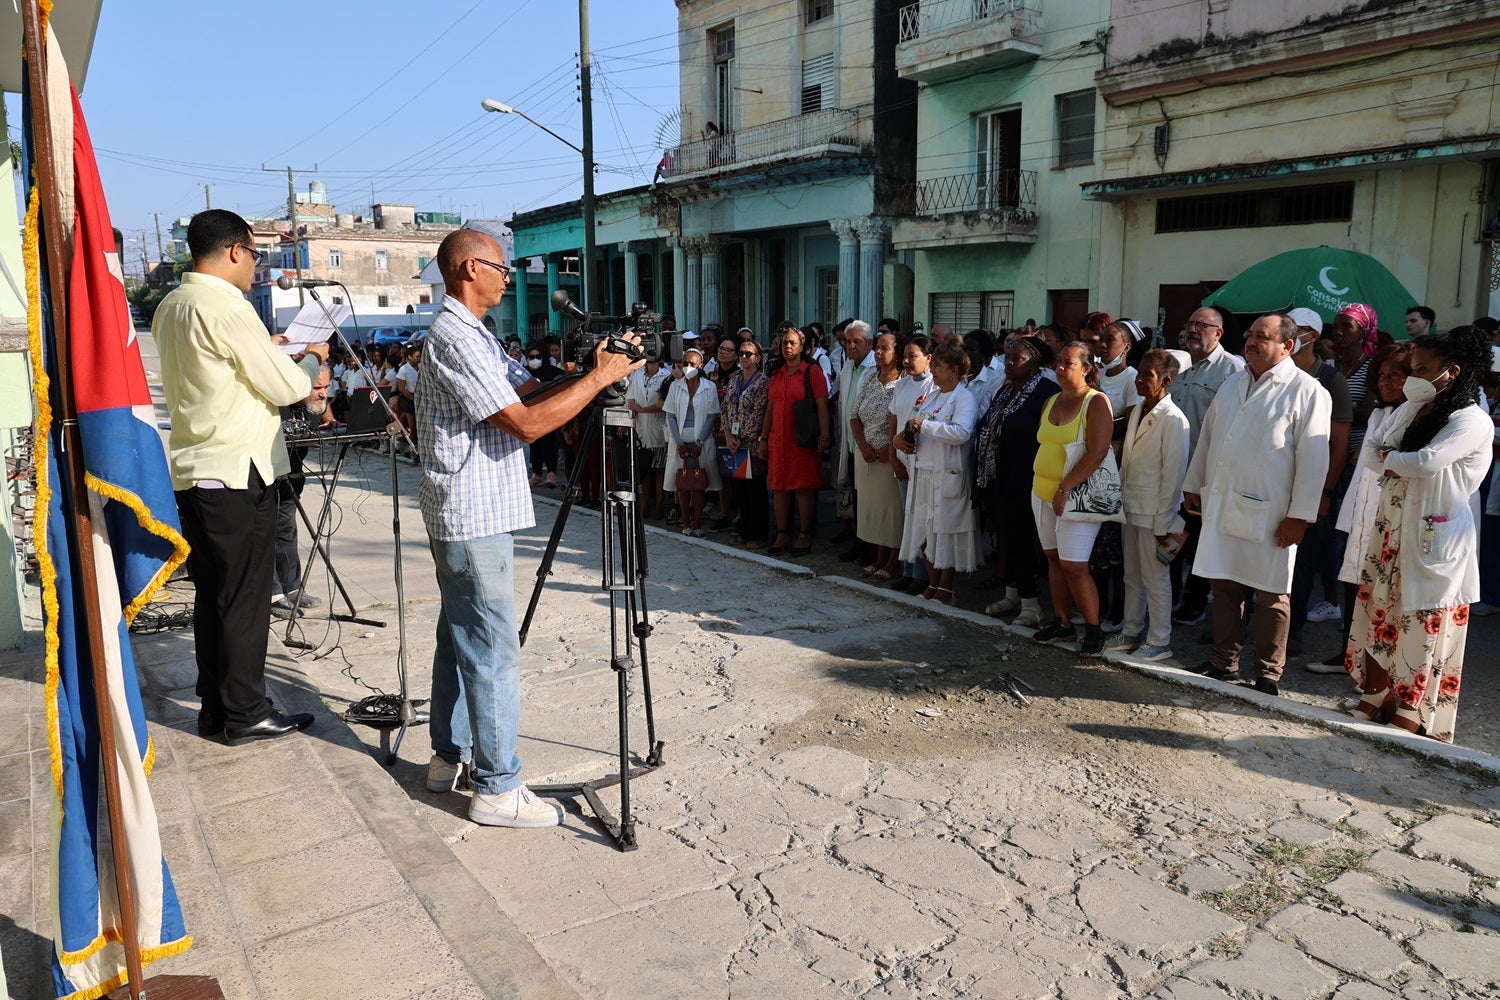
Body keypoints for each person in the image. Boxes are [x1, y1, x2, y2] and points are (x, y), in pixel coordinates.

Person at [416, 228, 642, 827]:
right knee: (491, 649)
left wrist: (592, 367)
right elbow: (525, 422)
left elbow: (531, 389)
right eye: (500, 267)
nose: (506, 277)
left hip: (471, 513)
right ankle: (497, 788)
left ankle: (448, 757)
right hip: (472, 515)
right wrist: (597, 382)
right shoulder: (455, 337)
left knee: (459, 639)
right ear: (469, 269)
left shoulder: (477, 334)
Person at [154, 209, 327, 745]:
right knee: (246, 599)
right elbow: (286, 387)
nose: (255, 265)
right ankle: (247, 712)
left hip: (196, 468)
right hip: (235, 471)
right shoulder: (228, 305)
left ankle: (218, 707)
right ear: (234, 251)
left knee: (215, 596)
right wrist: (311, 359)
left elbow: (222, 374)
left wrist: (270, 352)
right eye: (255, 254)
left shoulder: (173, 304)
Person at [1344, 327, 1492, 741]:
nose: (1413, 377)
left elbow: (1427, 462)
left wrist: (1391, 458)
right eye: (1412, 368)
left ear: (1452, 371)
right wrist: (1394, 458)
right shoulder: (1413, 408)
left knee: (1420, 624)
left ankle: (1412, 708)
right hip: (1391, 531)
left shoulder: (1471, 420)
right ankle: (1375, 693)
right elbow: (1369, 452)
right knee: (1379, 614)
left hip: (1434, 539)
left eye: (1422, 369)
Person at [1182, 314, 1331, 697]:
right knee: (1224, 584)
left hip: (1274, 512)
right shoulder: (1234, 382)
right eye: (1250, 335)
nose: (1251, 342)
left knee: (1272, 593)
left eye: (1262, 337)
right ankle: (1223, 661)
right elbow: (1209, 436)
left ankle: (1267, 672)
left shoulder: (1308, 391)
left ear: (1287, 345)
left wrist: (1300, 516)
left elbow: (1314, 460)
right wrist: (1193, 484)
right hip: (1224, 499)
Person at [1318, 343, 1413, 670]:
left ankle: (1375, 667)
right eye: (1382, 375)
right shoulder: (1378, 413)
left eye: (1396, 375)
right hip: (1362, 509)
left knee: (1382, 593)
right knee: (1354, 581)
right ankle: (1349, 654)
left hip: (1389, 515)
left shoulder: (1414, 415)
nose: (1386, 382)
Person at [1030, 343, 1115, 655]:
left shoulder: (1096, 402)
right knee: (1053, 559)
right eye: (1058, 362)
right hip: (1041, 493)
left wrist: (1065, 488)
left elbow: (1098, 451)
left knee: (1074, 566)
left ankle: (1093, 630)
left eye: (1068, 363)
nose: (1060, 368)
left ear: (1087, 368)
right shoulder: (1051, 399)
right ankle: (1063, 623)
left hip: (1075, 496)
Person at [1110, 350, 1189, 661]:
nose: (1140, 380)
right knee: (1131, 574)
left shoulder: (1174, 419)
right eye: (1140, 373)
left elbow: (1174, 475)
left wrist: (1164, 521)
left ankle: (1159, 640)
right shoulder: (1139, 410)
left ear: (1166, 381)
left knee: (1155, 578)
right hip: (1130, 505)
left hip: (1155, 510)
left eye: (1148, 375)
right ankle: (1131, 630)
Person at [1283, 307, 1354, 659]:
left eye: (1297, 329)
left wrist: (1325, 492)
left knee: (1303, 561)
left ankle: (1292, 628)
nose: (1291, 334)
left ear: (1312, 335)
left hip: (1311, 484)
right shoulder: (1273, 372)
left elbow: (1339, 443)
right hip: (1274, 482)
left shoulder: (1329, 379)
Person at [1167, 307, 1244, 626]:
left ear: (1219, 333)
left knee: (1200, 538)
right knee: (1170, 533)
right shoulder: (1178, 365)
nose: (1193, 330)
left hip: (1206, 471)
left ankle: (1196, 600)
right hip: (1172, 467)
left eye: (1202, 325)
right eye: (1190, 323)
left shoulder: (1233, 370)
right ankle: (1170, 596)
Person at [977, 336, 1059, 627]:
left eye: (1017, 359)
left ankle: (1031, 604)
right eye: (1008, 358)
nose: (1009, 364)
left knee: (1023, 540)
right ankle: (1012, 595)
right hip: (999, 476)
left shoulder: (1047, 392)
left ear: (1034, 363)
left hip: (1026, 478)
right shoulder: (1006, 389)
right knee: (1008, 540)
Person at [898, 344, 979, 604]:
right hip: (923, 471)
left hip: (947, 473)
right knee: (924, 529)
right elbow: (915, 421)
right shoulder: (932, 395)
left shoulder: (964, 397)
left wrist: (925, 426)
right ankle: (932, 583)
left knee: (944, 531)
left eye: (938, 366)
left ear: (953, 370)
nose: (932, 370)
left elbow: (962, 432)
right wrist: (905, 437)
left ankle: (946, 587)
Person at [758, 326, 829, 556]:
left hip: (803, 439)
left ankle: (805, 533)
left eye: (792, 343)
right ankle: (782, 533)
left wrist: (824, 435)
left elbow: (822, 406)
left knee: (803, 487)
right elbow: (770, 409)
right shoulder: (776, 374)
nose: (787, 346)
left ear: (802, 347)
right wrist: (763, 438)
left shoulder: (812, 371)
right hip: (778, 440)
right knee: (779, 487)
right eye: (784, 343)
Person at [271, 364, 332, 620]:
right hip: (265, 482)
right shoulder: (275, 405)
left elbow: (325, 415)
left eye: (327, 386)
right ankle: (273, 595)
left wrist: (330, 419)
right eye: (317, 387)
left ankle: (292, 588)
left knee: (286, 531)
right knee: (265, 536)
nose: (323, 393)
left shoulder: (312, 406)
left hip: (291, 482)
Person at [848, 330, 905, 581]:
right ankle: (880, 557)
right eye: (878, 347)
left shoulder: (904, 382)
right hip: (867, 456)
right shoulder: (871, 376)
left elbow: (904, 419)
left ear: (898, 353)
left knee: (891, 511)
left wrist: (887, 449)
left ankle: (894, 560)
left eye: (885, 348)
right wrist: (863, 447)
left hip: (889, 458)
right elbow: (854, 415)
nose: (878, 352)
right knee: (874, 510)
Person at [887, 335, 935, 594]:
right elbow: (894, 420)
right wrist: (893, 455)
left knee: (921, 518)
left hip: (922, 461)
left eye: (912, 356)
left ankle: (921, 575)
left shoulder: (934, 387)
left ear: (928, 359)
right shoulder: (902, 384)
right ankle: (907, 570)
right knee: (907, 516)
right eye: (904, 356)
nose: (906, 361)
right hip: (902, 459)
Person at [663, 346, 721, 537]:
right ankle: (685, 524)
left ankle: (697, 524)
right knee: (682, 483)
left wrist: (699, 442)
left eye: (692, 364)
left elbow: (712, 416)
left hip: (701, 442)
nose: (688, 367)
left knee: (698, 483)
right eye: (685, 363)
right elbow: (670, 416)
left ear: (701, 365)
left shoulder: (709, 387)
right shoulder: (675, 386)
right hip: (679, 441)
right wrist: (679, 443)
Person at [722, 337, 770, 547]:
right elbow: (726, 408)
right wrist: (728, 436)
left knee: (755, 489)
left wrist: (742, 437)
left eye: (748, 354)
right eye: (741, 353)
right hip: (735, 443)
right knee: (740, 489)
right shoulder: (734, 379)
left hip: (752, 443)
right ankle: (743, 528)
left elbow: (760, 413)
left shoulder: (762, 382)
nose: (743, 357)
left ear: (757, 358)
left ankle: (758, 533)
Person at [834, 321, 876, 559]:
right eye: (847, 341)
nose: (851, 346)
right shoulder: (848, 367)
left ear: (870, 343)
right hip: (851, 444)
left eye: (856, 341)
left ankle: (872, 547)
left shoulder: (875, 367)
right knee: (858, 496)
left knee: (870, 499)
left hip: (868, 446)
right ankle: (860, 543)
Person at [625, 352, 672, 520]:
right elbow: (630, 398)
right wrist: (635, 409)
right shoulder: (637, 374)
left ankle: (659, 506)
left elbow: (663, 404)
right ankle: (643, 507)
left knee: (659, 470)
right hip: (640, 430)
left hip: (659, 430)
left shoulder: (666, 375)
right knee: (644, 471)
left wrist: (641, 409)